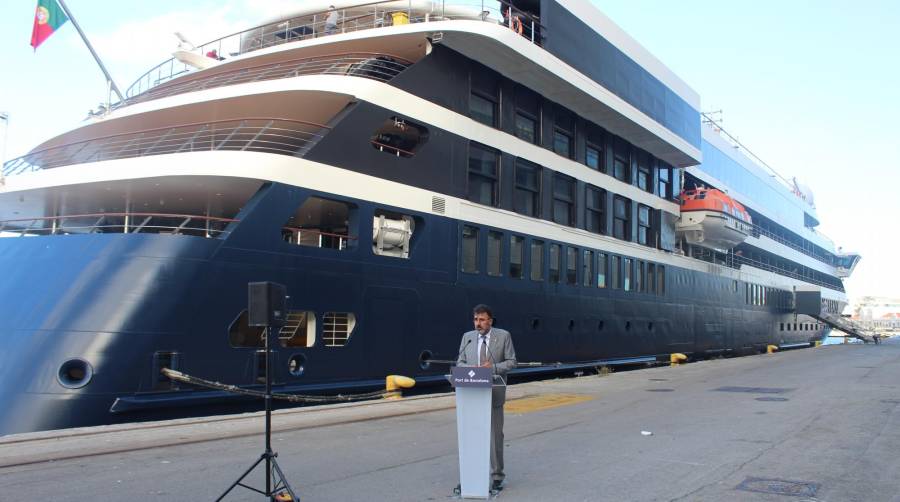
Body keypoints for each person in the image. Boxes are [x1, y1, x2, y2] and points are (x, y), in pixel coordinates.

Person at [457, 304, 516, 492]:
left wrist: (493, 368)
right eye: (475, 319)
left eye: (482, 320)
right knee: (471, 436)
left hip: (494, 394)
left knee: (495, 436)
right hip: (471, 395)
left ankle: (497, 476)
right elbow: (460, 362)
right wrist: (472, 370)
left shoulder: (503, 336)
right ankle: (471, 474)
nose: (478, 323)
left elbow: (512, 362)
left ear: (490, 320)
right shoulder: (467, 338)